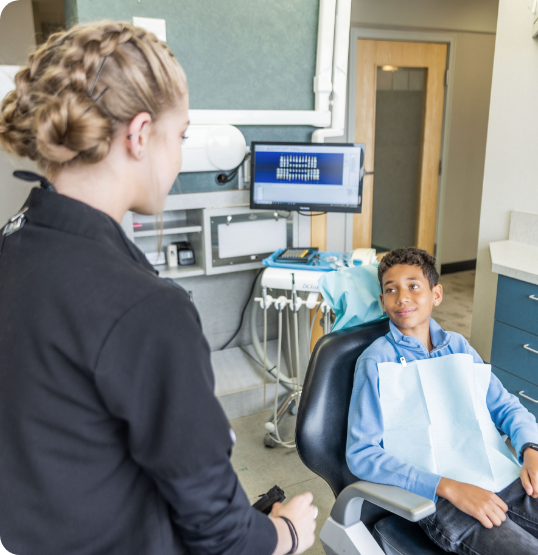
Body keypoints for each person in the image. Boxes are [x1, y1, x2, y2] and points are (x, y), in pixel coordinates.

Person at [0, 21, 316, 555]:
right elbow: (222, 537)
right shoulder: (146, 308)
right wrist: (283, 534)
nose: (178, 156)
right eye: (182, 136)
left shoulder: (16, 242)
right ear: (140, 134)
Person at [346, 247, 538, 555]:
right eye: (391, 290)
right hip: (438, 498)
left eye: (413, 286)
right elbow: (361, 453)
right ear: (382, 302)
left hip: (499, 474)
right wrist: (450, 487)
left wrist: (532, 451)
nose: (402, 297)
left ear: (436, 294)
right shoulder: (376, 361)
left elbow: (506, 407)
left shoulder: (458, 347)